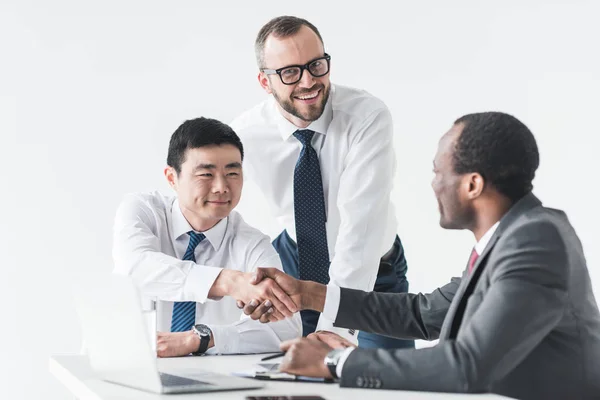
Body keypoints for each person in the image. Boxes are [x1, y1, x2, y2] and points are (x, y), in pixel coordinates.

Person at [242, 112, 600, 399]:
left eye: (438, 172)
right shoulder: (512, 236)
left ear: (472, 184)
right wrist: (309, 294)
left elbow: (468, 366)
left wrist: (335, 362)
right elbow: (423, 313)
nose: (433, 184)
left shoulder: (534, 241)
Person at [230, 15, 413, 349]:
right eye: (289, 72)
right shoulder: (244, 134)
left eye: (316, 65)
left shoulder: (366, 116)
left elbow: (361, 227)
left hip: (373, 270)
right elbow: (218, 210)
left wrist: (334, 331)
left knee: (382, 384)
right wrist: (244, 278)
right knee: (284, 378)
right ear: (264, 82)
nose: (308, 82)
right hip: (294, 262)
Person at [112, 117, 301, 357]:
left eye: (232, 172)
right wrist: (227, 282)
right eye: (206, 174)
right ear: (172, 178)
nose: (221, 186)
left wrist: (202, 338)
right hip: (125, 366)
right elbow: (134, 268)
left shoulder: (253, 245)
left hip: (209, 383)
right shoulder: (142, 211)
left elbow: (287, 330)